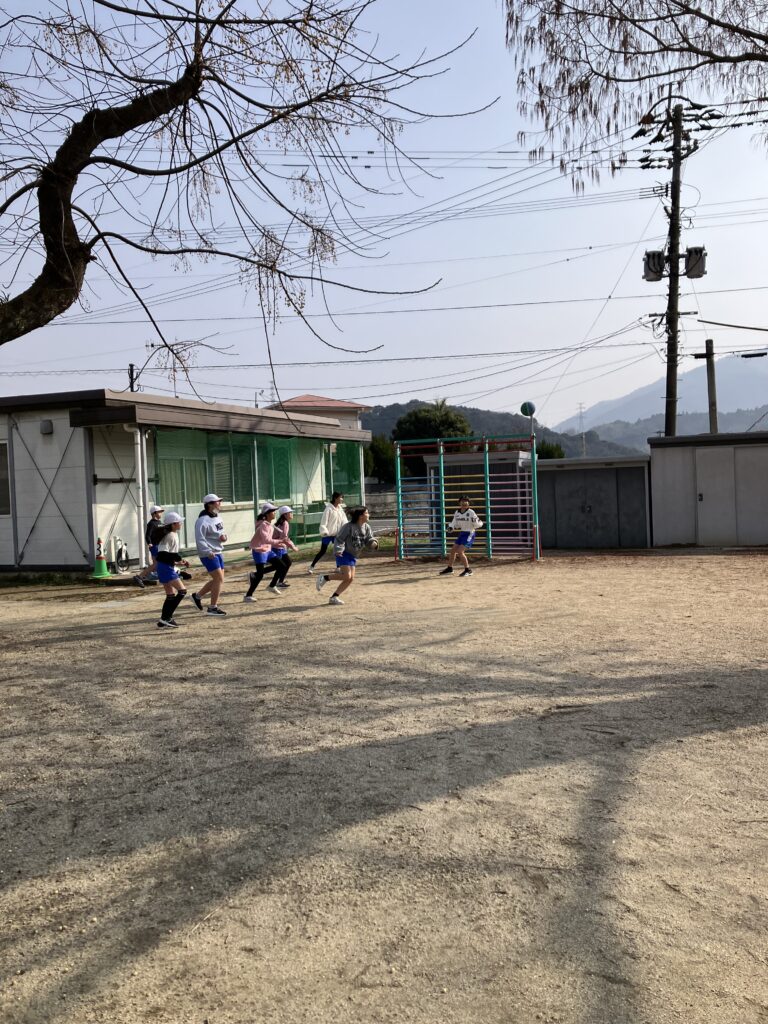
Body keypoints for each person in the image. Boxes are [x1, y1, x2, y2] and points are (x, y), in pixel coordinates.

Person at [315, 506, 377, 606]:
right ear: (360, 516)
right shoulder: (348, 526)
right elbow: (339, 539)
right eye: (367, 513)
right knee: (347, 576)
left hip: (353, 555)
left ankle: (334, 597)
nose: (368, 514)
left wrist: (373, 543)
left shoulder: (366, 527)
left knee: (350, 578)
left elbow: (369, 538)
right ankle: (325, 577)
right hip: (343, 553)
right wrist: (338, 550)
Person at [243, 503, 290, 602]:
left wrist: (282, 541)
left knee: (282, 565)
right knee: (260, 575)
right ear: (267, 514)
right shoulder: (263, 525)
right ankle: (248, 595)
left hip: (267, 550)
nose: (275, 513)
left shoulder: (268, 524)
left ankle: (272, 585)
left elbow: (268, 540)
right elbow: (266, 540)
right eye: (273, 511)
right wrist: (280, 541)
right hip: (259, 550)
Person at [191, 493, 228, 616]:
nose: (220, 504)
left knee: (219, 580)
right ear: (210, 505)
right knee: (219, 579)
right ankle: (212, 607)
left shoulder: (218, 517)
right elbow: (200, 539)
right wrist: (207, 551)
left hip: (218, 551)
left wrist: (223, 537)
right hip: (208, 554)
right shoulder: (202, 520)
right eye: (218, 502)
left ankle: (197, 596)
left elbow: (221, 533)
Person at [155, 511, 190, 628]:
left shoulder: (172, 534)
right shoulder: (170, 535)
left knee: (170, 594)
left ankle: (163, 620)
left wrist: (179, 560)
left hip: (164, 566)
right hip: (165, 567)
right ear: (173, 524)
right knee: (182, 591)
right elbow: (163, 554)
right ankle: (167, 618)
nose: (181, 524)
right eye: (179, 522)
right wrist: (177, 560)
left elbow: (170, 554)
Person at [439, 495, 483, 577]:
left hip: (470, 533)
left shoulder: (471, 512)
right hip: (462, 533)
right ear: (459, 502)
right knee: (453, 551)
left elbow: (479, 524)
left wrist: (476, 523)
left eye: (466, 501)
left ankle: (468, 570)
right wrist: (451, 527)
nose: (464, 503)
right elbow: (454, 523)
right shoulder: (457, 512)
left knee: (460, 551)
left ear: (469, 503)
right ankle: (450, 568)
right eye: (462, 501)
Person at [308, 492, 346, 573]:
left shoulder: (340, 509)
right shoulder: (328, 509)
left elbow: (344, 521)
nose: (342, 499)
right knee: (323, 551)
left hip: (337, 535)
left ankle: (338, 567)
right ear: (335, 498)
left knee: (338, 551)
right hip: (327, 534)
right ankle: (312, 566)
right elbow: (323, 522)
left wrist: (345, 530)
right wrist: (324, 531)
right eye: (340, 497)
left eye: (342, 497)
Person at [133, 504, 165, 587]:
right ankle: (139, 577)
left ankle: (148, 575)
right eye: (159, 512)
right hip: (154, 545)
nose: (161, 514)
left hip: (160, 545)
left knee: (157, 564)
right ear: (154, 513)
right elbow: (147, 535)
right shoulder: (151, 524)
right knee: (156, 563)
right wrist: (149, 543)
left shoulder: (160, 523)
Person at [271, 505, 298, 588]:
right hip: (277, 547)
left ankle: (280, 582)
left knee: (287, 563)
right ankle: (255, 575)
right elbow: (284, 538)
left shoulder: (281, 522)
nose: (292, 514)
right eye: (290, 512)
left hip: (279, 547)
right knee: (280, 566)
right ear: (285, 515)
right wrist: (293, 547)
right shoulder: (285, 523)